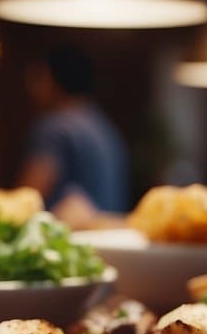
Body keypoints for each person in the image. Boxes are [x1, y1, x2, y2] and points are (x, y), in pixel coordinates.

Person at [18, 44, 130, 219]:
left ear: (50, 79)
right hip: (108, 237)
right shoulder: (105, 127)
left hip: (69, 239)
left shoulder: (55, 127)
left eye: (37, 77)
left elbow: (27, 199)